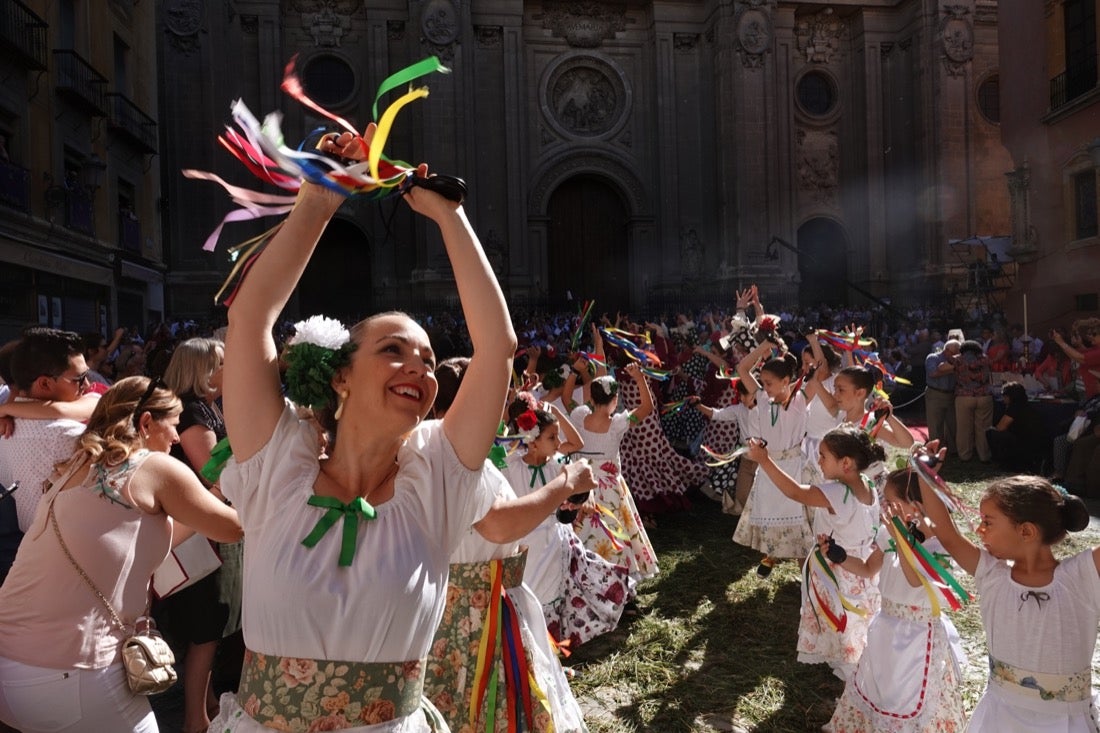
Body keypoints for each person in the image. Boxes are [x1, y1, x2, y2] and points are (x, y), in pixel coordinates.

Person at [211, 126, 521, 732]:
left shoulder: (437, 479)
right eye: (394, 350)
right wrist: (321, 198)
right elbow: (250, 317)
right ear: (341, 378)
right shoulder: (277, 462)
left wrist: (447, 216)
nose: (419, 368)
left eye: (429, 361)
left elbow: (497, 350)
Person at [0, 377, 242, 733]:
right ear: (146, 423)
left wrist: (217, 490)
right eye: (173, 426)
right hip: (69, 672)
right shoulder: (152, 467)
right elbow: (233, 528)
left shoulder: (78, 462)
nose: (176, 438)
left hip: (11, 665)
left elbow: (162, 535)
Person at [425, 362, 591, 732]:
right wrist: (566, 482)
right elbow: (498, 525)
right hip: (478, 620)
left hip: (471, 611)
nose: (503, 414)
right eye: (496, 401)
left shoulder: (436, 456)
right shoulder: (460, 466)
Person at [917, 454, 1100, 732]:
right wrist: (924, 475)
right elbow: (947, 533)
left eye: (988, 522)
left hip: (1064, 723)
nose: (979, 530)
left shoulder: (1081, 577)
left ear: (1026, 531)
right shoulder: (991, 574)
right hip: (1000, 717)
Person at [827, 469, 968, 732]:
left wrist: (901, 537)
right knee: (879, 684)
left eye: (891, 502)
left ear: (916, 507)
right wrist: (840, 555)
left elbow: (915, 579)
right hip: (886, 625)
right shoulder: (889, 533)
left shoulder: (941, 548)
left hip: (916, 635)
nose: (885, 507)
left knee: (907, 694)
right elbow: (869, 569)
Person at [746, 425, 882, 681]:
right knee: (853, 616)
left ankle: (848, 667)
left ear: (846, 463)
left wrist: (765, 460)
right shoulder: (867, 484)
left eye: (823, 456)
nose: (818, 461)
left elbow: (795, 492)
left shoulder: (838, 492)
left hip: (837, 570)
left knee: (840, 615)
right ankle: (850, 657)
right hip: (860, 565)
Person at [499, 394, 633, 650]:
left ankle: (550, 646)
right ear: (532, 441)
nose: (559, 443)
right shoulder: (510, 466)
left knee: (553, 591)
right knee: (529, 593)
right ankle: (530, 646)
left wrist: (583, 499)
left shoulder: (559, 467)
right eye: (552, 437)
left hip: (554, 540)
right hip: (526, 542)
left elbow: (584, 485)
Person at [153, 337, 239, 733]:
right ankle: (196, 720)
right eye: (220, 363)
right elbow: (214, 473)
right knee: (206, 629)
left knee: (209, 626)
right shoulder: (193, 412)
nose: (227, 370)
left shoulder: (200, 408)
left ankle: (202, 704)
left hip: (198, 530)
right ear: (201, 369)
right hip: (197, 534)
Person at [0, 328, 97, 580]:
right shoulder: (72, 436)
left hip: (22, 563)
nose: (87, 384)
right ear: (44, 383)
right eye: (79, 378)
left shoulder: (6, 426)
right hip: (71, 567)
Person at [565, 362, 661, 580]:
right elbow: (647, 408)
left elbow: (566, 399)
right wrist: (639, 378)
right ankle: (619, 575)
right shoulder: (618, 423)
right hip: (609, 489)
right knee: (615, 530)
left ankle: (586, 574)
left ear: (591, 399)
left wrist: (574, 371)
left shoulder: (579, 417)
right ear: (615, 400)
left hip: (581, 484)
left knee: (584, 530)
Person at [731, 341, 813, 578]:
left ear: (786, 381)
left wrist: (814, 352)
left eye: (768, 383)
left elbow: (820, 376)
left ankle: (806, 578)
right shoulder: (763, 399)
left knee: (799, 524)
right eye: (763, 383)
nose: (764, 387)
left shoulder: (799, 399)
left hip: (793, 468)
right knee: (771, 517)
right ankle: (772, 554)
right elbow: (742, 369)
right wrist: (764, 346)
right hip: (768, 468)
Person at [986, 381, 1047, 473]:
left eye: (1005, 396)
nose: (1003, 398)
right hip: (1035, 446)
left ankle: (1002, 461)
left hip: (1022, 445)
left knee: (991, 432)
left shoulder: (1014, 408)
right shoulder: (1027, 407)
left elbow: (1000, 428)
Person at [950, 340, 994, 463]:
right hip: (984, 396)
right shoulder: (985, 359)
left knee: (963, 428)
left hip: (964, 396)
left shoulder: (957, 359)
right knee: (983, 428)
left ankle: (965, 455)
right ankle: (984, 455)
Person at [924, 339, 960, 454]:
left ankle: (953, 450)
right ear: (947, 350)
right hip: (935, 394)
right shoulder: (932, 358)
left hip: (950, 395)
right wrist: (951, 369)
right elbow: (933, 373)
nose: (956, 356)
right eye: (955, 353)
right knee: (935, 425)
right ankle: (936, 451)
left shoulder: (954, 361)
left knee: (952, 424)